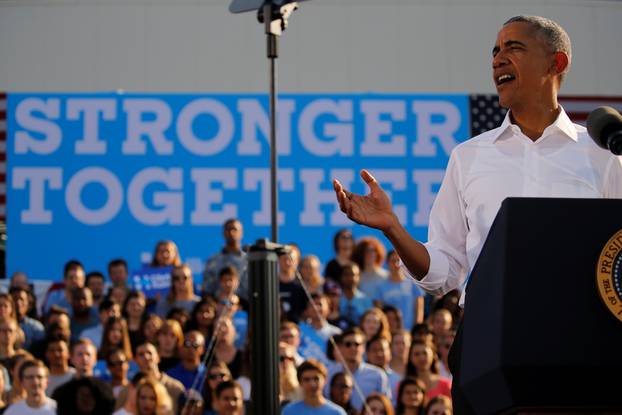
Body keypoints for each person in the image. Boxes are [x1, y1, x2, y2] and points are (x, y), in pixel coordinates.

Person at [333, 15, 622, 412]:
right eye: (495, 51)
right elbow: (444, 272)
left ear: (557, 64)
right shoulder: (469, 157)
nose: (498, 59)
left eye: (513, 48)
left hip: (578, 340)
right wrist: (393, 228)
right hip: (488, 341)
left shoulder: (602, 154)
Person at [325, 327, 391, 412]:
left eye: (357, 344)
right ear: (340, 348)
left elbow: (386, 405)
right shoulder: (329, 372)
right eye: (348, 344)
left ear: (363, 347)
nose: (353, 348)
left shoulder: (378, 375)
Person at [203, 218, 249, 300]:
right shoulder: (213, 261)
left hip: (243, 307)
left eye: (234, 229)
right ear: (223, 233)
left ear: (241, 233)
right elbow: (207, 289)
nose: (231, 232)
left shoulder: (248, 261)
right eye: (228, 229)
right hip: (218, 307)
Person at [134, 342, 185, 415]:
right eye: (141, 354)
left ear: (158, 357)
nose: (146, 357)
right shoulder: (129, 390)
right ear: (135, 360)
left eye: (149, 353)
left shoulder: (175, 387)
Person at [282, 359, 346, 415]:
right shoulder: (289, 411)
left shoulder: (337, 412)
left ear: (325, 380)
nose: (312, 384)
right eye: (306, 379)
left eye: (316, 379)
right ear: (300, 383)